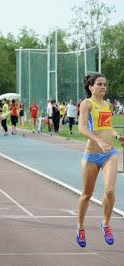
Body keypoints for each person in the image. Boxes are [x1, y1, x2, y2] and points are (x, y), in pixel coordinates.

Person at [76, 74, 124, 248]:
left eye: (105, 84)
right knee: (86, 195)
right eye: (99, 84)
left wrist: (117, 135)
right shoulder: (87, 104)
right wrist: (98, 140)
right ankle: (80, 226)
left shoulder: (107, 105)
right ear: (91, 87)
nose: (103, 87)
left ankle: (105, 224)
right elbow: (81, 128)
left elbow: (107, 127)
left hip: (110, 153)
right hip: (91, 155)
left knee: (110, 191)